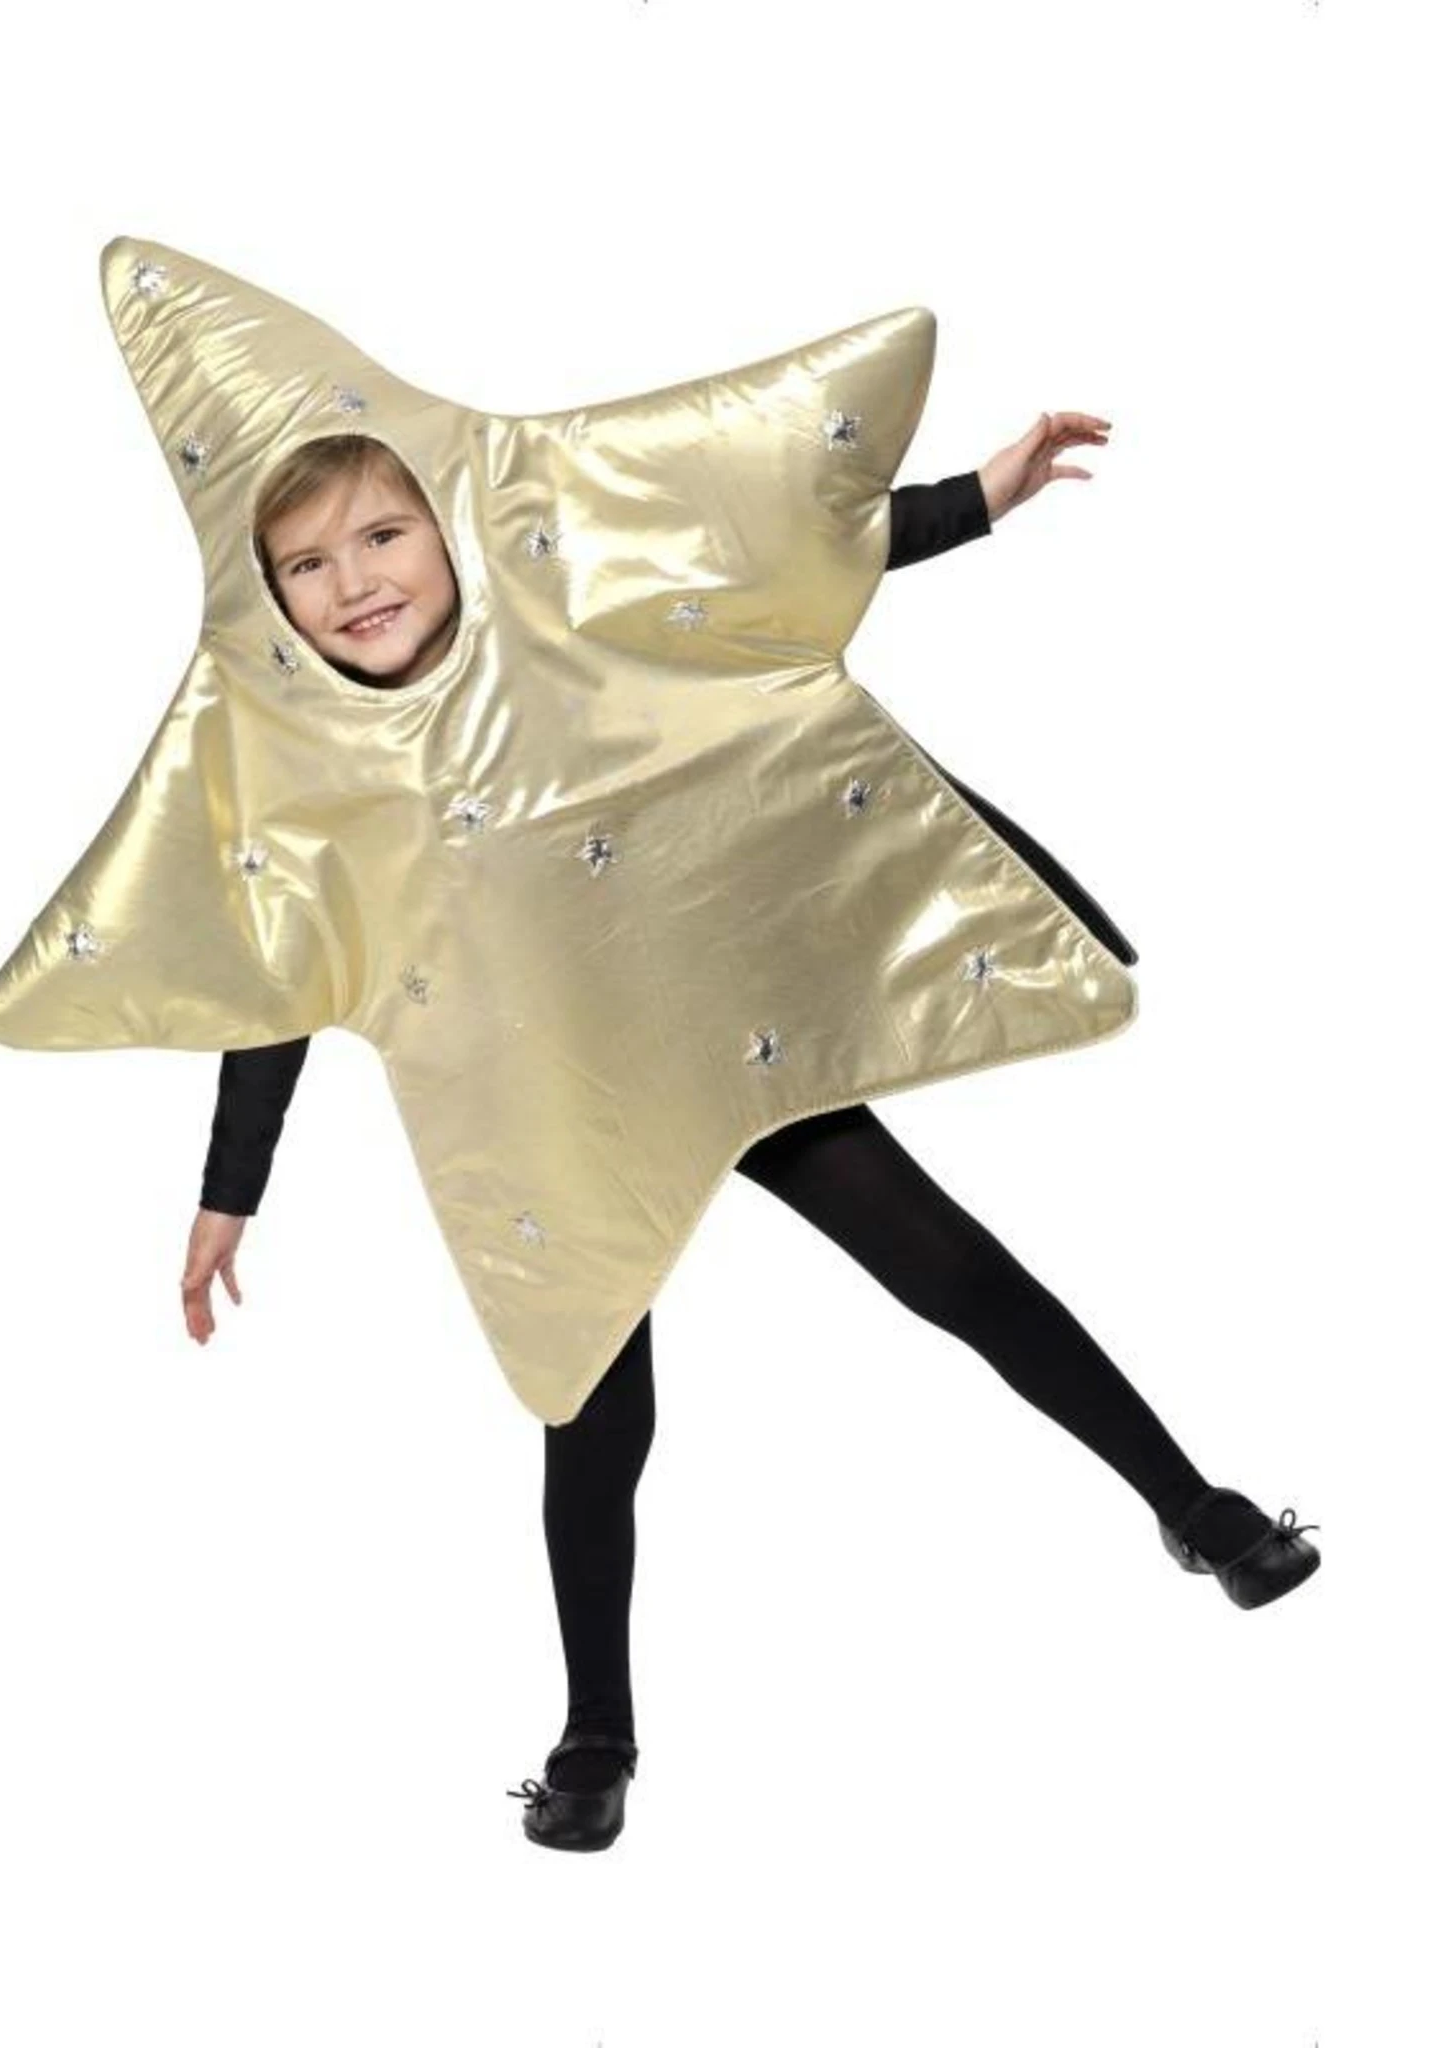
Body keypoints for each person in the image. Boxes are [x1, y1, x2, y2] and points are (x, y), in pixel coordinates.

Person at [180, 422, 1320, 1854]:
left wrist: (978, 500)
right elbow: (283, 983)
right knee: (595, 1416)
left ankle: (1195, 1506)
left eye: (381, 536)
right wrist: (230, 1193)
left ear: (447, 533)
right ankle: (597, 1730)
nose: (353, 582)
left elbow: (767, 574)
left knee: (950, 1269)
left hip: (719, 1032)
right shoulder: (311, 771)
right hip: (555, 1112)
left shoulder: (564, 620)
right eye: (307, 565)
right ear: (273, 600)